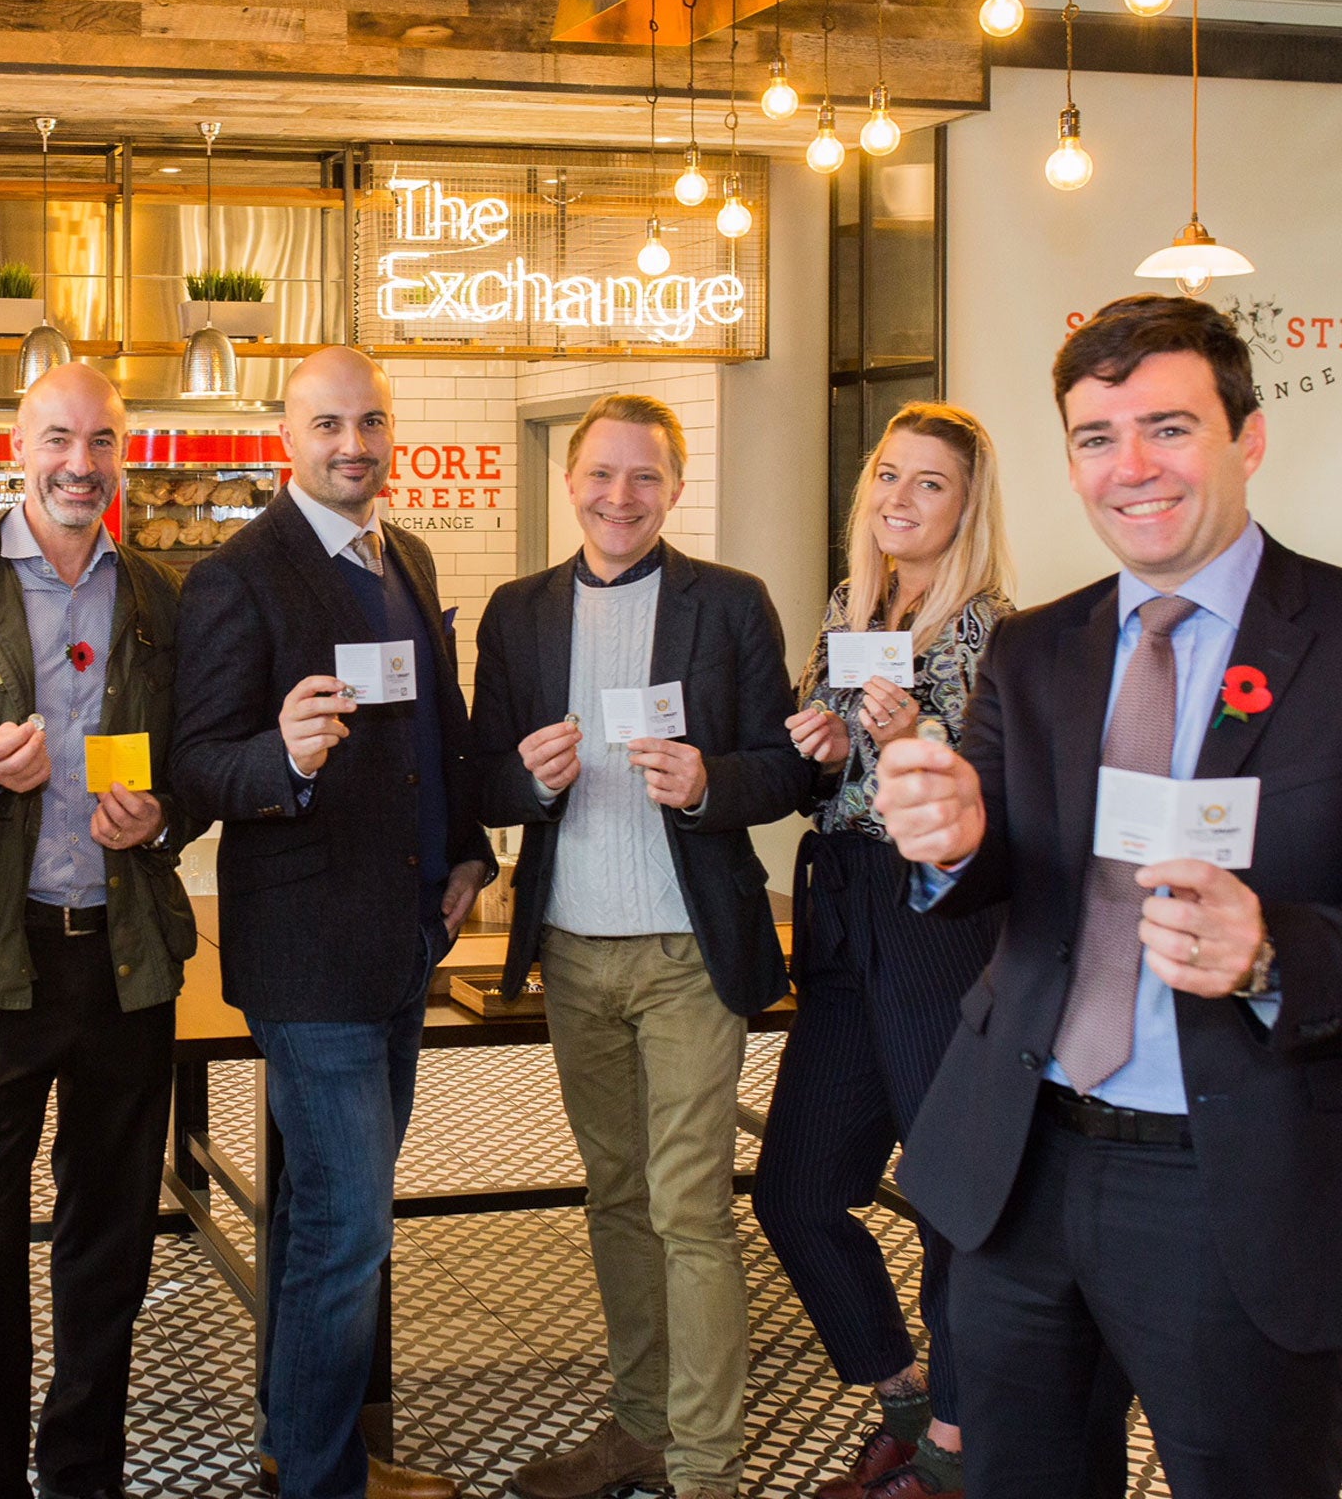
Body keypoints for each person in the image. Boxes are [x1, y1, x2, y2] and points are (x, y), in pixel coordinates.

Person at [873, 294, 1342, 1498]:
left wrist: (1275, 948)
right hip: (1019, 1168)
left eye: (1168, 428)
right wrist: (947, 836)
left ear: (1245, 438)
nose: (1129, 467)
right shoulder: (1035, 650)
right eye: (1094, 438)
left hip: (1229, 1183)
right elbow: (983, 853)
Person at [471, 393, 812, 1499]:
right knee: (614, 1195)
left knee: (686, 1205)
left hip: (685, 949)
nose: (621, 497)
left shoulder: (728, 605)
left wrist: (711, 780)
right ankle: (639, 1427)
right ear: (569, 483)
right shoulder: (517, 613)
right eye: (602, 476)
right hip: (572, 945)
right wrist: (527, 778)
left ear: (672, 489)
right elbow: (484, 774)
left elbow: (784, 767)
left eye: (645, 478)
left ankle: (706, 1467)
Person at [170, 345, 493, 1499]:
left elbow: (435, 727)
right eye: (326, 425)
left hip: (405, 933)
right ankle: (316, 1477)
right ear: (285, 437)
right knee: (351, 1230)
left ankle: (300, 1445)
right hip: (306, 948)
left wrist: (468, 847)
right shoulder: (237, 577)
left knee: (322, 1214)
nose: (352, 445)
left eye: (369, 422)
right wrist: (285, 757)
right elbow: (196, 765)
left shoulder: (401, 554)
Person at [0, 362, 200, 1499]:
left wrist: (169, 807)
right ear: (15, 447)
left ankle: (82, 1469)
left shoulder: (165, 599)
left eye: (102, 441)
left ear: (125, 453)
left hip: (123, 951)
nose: (81, 464)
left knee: (109, 1229)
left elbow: (198, 764)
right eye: (59, 439)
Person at [752, 404, 1013, 1499]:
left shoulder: (996, 628)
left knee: (953, 1195)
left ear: (965, 508)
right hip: (838, 908)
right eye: (887, 478)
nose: (898, 501)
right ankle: (901, 1395)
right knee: (795, 1188)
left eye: (929, 485)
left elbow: (995, 796)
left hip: (934, 918)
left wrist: (909, 740)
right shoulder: (849, 608)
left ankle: (951, 1447)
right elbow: (831, 769)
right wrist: (815, 746)